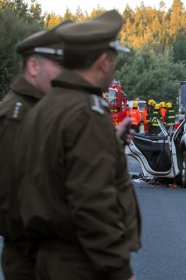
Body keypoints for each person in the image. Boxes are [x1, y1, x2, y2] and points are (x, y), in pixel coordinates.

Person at [16, 10, 141, 280]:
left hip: (48, 257)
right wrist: (119, 269)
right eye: (115, 58)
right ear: (103, 61)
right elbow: (92, 203)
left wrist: (109, 143)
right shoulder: (86, 112)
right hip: (81, 262)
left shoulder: (44, 105)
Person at [0, 21, 71, 280]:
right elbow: (12, 196)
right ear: (33, 66)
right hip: (31, 255)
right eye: (60, 65)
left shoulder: (40, 108)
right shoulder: (18, 114)